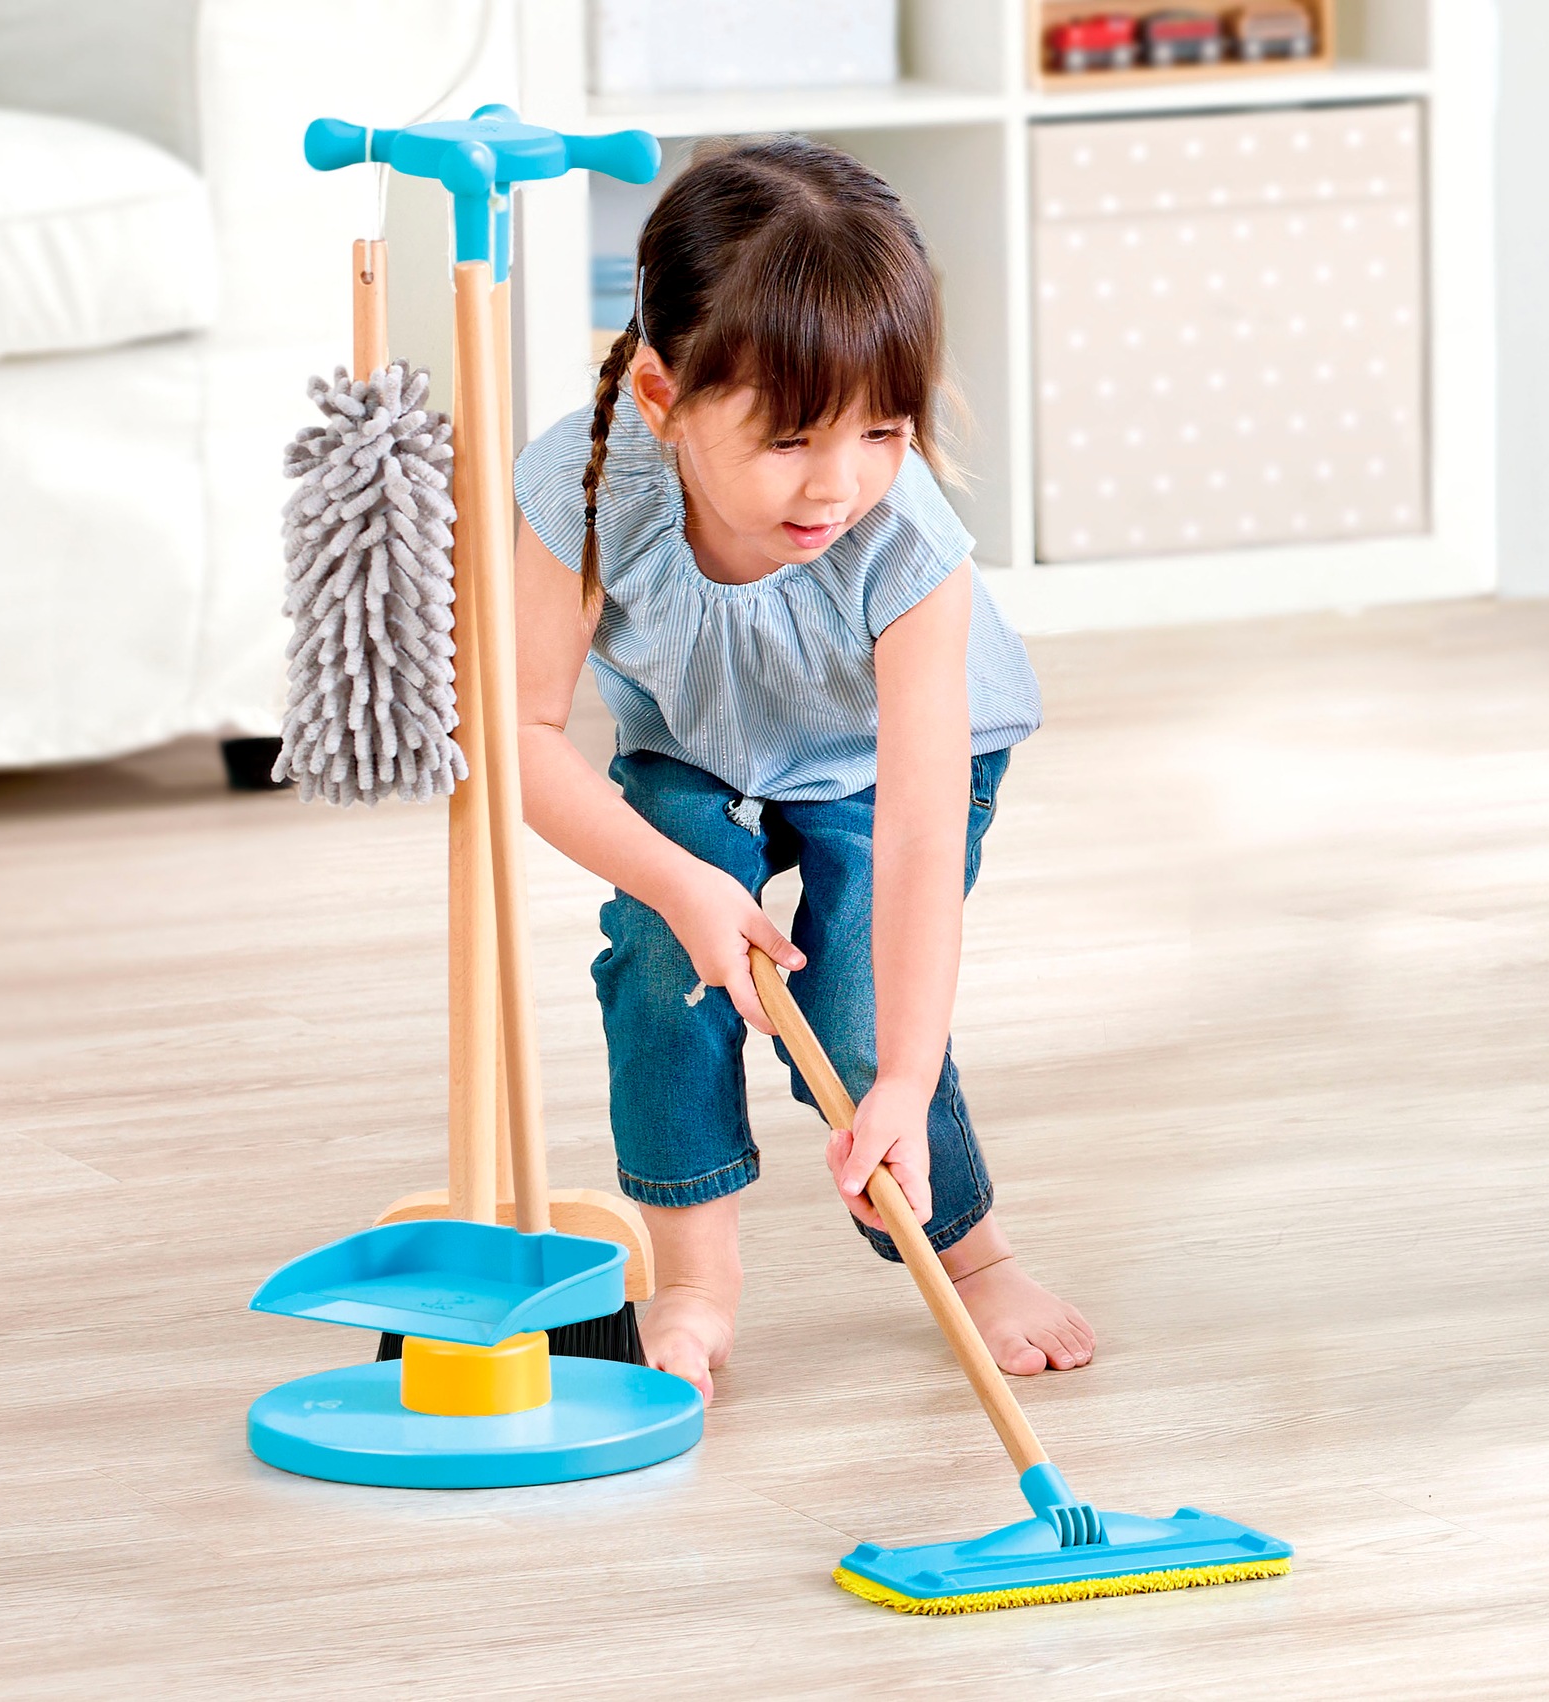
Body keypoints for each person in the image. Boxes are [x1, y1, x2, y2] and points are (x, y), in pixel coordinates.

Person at [513, 137, 1094, 1404]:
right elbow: (519, 735)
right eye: (789, 441)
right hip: (699, 747)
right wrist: (679, 884)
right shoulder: (586, 475)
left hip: (885, 768)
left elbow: (926, 834)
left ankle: (971, 1251)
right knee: (669, 960)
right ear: (665, 399)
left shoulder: (904, 543)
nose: (839, 482)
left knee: (858, 1011)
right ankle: (695, 1283)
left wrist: (895, 1073)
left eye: (883, 428)